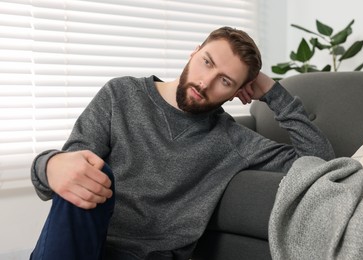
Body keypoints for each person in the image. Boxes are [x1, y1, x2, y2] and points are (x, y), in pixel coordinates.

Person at [30, 26, 335, 260]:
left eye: (225, 81)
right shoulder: (120, 94)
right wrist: (49, 164)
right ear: (194, 52)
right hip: (81, 243)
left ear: (237, 93)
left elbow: (320, 161)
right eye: (207, 62)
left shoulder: (234, 140)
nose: (205, 82)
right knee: (90, 171)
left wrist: (272, 92)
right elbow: (68, 176)